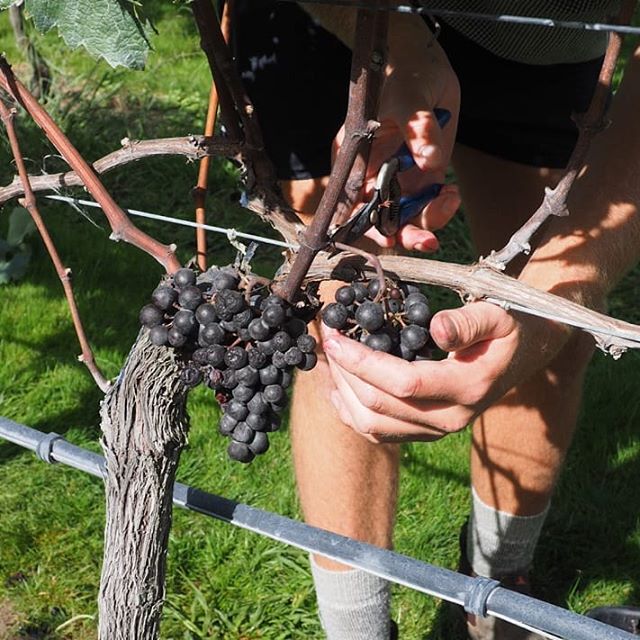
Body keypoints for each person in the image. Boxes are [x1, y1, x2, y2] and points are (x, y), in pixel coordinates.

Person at [232, 2, 640, 638]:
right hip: (324, 22)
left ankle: (494, 597)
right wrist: (395, 43)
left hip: (537, 36)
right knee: (338, 315)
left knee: (551, 314)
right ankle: (358, 630)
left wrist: (549, 316)